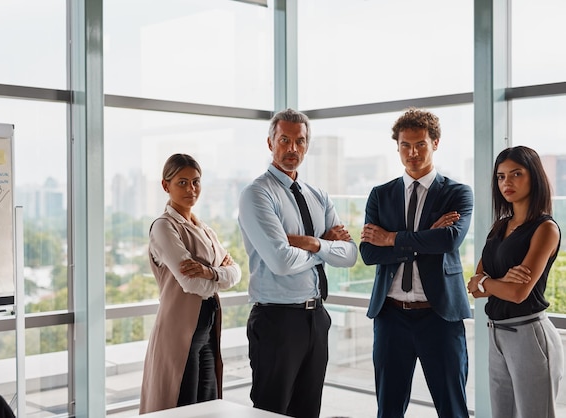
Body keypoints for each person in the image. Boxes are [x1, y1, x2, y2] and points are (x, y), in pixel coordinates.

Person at [238, 108, 358, 418]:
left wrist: (312, 242)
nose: (293, 149)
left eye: (300, 141)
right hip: (277, 321)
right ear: (270, 143)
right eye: (285, 140)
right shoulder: (258, 194)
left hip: (316, 317)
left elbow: (351, 254)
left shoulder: (318, 195)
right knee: (271, 411)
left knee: (308, 411)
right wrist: (326, 246)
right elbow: (280, 260)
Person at [359, 107, 473, 418]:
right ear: (397, 147)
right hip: (390, 317)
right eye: (405, 145)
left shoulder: (457, 193)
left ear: (435, 142)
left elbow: (449, 241)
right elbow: (369, 253)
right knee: (389, 410)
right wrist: (423, 239)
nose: (412, 153)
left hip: (440, 317)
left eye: (420, 144)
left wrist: (392, 238)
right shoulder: (380, 195)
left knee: (452, 407)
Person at [139, 153, 241, 413]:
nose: (191, 189)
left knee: (207, 407)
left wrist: (210, 273)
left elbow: (237, 273)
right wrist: (218, 272)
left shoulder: (204, 227)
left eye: (196, 182)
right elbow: (191, 285)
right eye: (182, 182)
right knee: (180, 407)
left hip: (206, 333)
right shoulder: (164, 227)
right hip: (179, 333)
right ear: (166, 186)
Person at [467, 146, 563, 418]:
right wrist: (493, 282)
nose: (506, 182)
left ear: (534, 177)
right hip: (496, 335)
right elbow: (473, 288)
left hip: (529, 336)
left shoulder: (545, 228)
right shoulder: (499, 227)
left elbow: (519, 292)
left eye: (516, 174)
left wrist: (487, 281)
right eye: (500, 176)